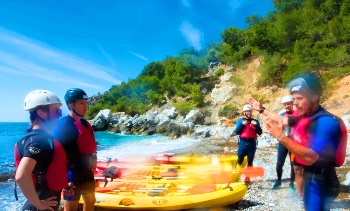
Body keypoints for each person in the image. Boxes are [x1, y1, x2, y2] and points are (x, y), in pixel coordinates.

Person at [249, 72, 346, 210]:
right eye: (294, 99)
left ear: (314, 97)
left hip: (321, 180)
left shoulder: (326, 122)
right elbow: (282, 120)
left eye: (299, 98)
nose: (295, 103)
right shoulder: (307, 116)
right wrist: (261, 110)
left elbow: (311, 157)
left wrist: (281, 136)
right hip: (312, 176)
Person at [15, 90, 68, 211]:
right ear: (41, 112)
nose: (60, 114)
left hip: (41, 199)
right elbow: (21, 176)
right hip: (41, 204)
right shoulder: (39, 140)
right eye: (56, 111)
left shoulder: (34, 138)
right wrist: (39, 204)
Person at [53, 88, 97, 211]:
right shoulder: (63, 125)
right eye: (81, 103)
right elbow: (57, 155)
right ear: (70, 105)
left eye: (86, 103)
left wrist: (94, 157)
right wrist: (64, 181)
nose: (86, 106)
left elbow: (90, 143)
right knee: (71, 208)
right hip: (72, 174)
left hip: (86, 172)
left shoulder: (84, 123)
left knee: (90, 202)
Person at [272, 95, 297, 192]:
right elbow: (277, 128)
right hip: (283, 141)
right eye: (285, 104)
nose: (287, 106)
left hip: (293, 143)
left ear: (292, 104)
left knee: (293, 164)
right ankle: (278, 180)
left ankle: (291, 183)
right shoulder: (281, 115)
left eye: (288, 104)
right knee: (279, 163)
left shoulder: (297, 115)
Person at [234, 104, 263, 183]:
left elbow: (260, 132)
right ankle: (236, 176)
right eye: (247, 111)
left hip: (252, 144)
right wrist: (243, 125)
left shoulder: (255, 121)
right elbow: (236, 132)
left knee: (250, 162)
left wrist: (256, 125)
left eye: (250, 111)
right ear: (244, 112)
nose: (249, 113)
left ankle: (248, 178)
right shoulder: (240, 121)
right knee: (240, 160)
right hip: (243, 143)